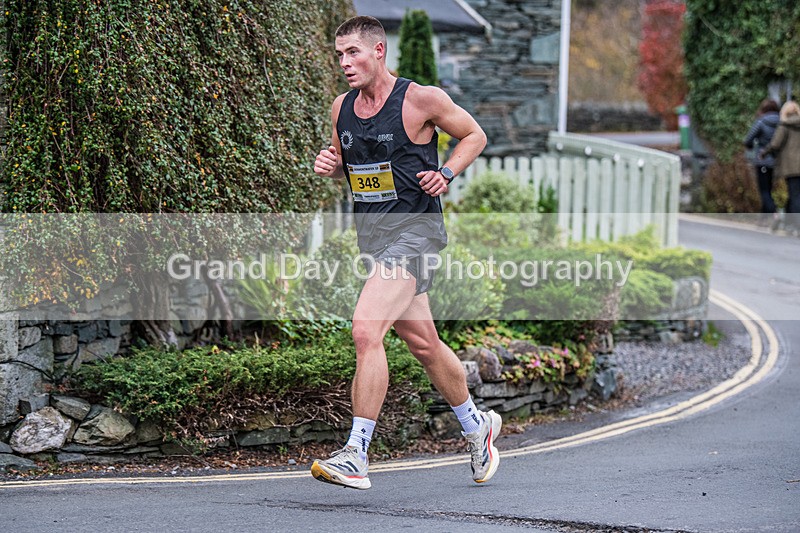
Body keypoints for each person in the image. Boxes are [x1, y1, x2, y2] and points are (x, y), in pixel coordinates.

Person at [310, 16, 501, 490]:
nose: (345, 63)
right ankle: (477, 426)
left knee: (365, 328)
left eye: (353, 52)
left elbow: (474, 135)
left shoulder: (420, 100)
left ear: (378, 51)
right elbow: (349, 166)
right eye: (339, 55)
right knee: (424, 344)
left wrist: (447, 172)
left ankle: (356, 453)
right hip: (375, 238)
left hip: (416, 233)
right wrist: (331, 165)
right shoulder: (341, 108)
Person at [762, 101, 800, 236]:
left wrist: (764, 152)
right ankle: (789, 224)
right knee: (794, 195)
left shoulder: (784, 126)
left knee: (795, 196)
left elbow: (775, 144)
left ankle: (797, 226)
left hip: (791, 166)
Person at [743, 99, 780, 227]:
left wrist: (751, 146)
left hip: (762, 160)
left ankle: (774, 213)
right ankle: (763, 220)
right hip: (777, 161)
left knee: (764, 190)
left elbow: (748, 139)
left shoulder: (762, 121)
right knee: (768, 189)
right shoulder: (782, 122)